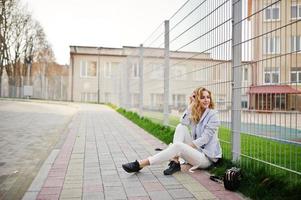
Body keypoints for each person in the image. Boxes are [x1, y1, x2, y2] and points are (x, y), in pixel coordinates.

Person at [122, 87, 222, 175]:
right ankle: (175, 161)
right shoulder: (196, 112)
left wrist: (182, 148)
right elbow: (183, 121)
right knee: (180, 127)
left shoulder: (213, 115)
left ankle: (141, 163)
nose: (206, 100)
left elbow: (204, 139)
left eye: (208, 97)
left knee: (178, 146)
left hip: (206, 159)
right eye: (202, 97)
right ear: (197, 100)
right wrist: (191, 105)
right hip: (196, 152)